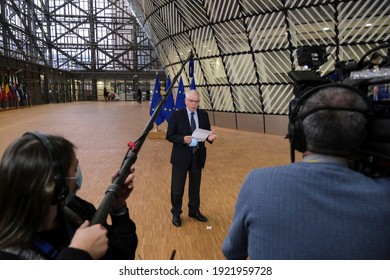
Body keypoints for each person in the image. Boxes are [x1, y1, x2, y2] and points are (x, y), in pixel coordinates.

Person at [222, 84, 390, 259]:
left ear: (298, 132)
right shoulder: (385, 196)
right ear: (364, 136)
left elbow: (232, 252)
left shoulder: (257, 182)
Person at [0, 132, 138, 260]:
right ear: (57, 185)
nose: (77, 175)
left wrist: (118, 208)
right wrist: (79, 255)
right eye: (75, 169)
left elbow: (123, 257)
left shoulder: (77, 209)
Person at [166, 89, 217, 227]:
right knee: (177, 188)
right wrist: (183, 138)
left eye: (197, 102)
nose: (194, 104)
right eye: (192, 101)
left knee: (195, 187)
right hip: (180, 157)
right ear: (185, 101)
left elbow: (206, 133)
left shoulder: (203, 115)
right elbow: (169, 135)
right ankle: (176, 213)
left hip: (197, 156)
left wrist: (210, 138)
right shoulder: (176, 116)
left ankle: (194, 211)